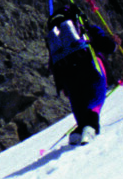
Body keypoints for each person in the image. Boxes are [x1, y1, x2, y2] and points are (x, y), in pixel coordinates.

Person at [45, 9, 118, 143]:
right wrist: (115, 44)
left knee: (79, 104)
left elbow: (51, 65)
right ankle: (90, 128)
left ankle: (78, 132)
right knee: (97, 98)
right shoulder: (86, 29)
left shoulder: (56, 40)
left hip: (67, 74)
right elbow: (106, 46)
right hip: (89, 66)